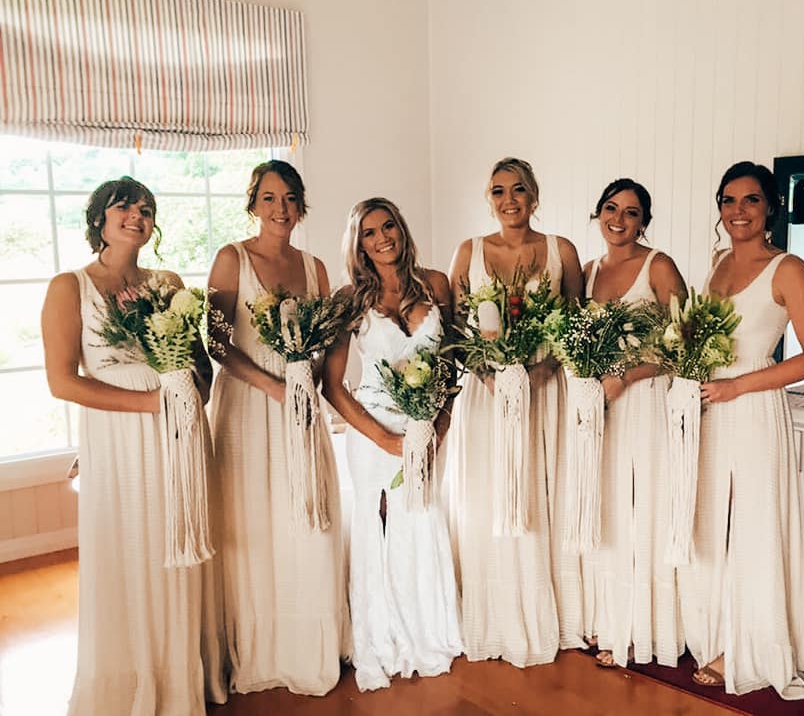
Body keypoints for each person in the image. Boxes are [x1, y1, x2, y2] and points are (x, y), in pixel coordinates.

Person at [41, 177, 226, 715]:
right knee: (129, 546)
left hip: (181, 438)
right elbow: (62, 381)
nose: (136, 216)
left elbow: (202, 370)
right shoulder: (67, 287)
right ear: (99, 216)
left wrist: (188, 397)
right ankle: (132, 679)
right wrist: (149, 406)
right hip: (119, 441)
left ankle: (180, 673)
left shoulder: (167, 281)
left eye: (146, 209)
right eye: (124, 206)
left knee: (180, 545)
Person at [677, 161, 804, 699]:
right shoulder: (717, 263)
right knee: (711, 524)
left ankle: (746, 644)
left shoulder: (787, 268)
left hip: (751, 410)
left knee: (750, 527)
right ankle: (713, 626)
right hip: (707, 409)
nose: (737, 212)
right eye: (728, 201)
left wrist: (737, 387)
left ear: (770, 207)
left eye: (750, 201)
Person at [207, 160, 348, 695]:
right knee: (253, 522)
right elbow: (217, 342)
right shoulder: (231, 259)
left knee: (306, 518)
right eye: (269, 198)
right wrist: (271, 386)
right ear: (253, 204)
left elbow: (324, 344)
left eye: (289, 198)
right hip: (247, 404)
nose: (281, 208)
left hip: (300, 408)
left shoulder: (316, 269)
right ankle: (259, 648)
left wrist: (304, 386)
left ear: (301, 204)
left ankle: (308, 640)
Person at [322, 197, 463, 691]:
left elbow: (452, 365)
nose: (382, 238)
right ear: (357, 243)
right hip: (373, 429)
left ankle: (428, 629)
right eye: (368, 232)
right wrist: (382, 437)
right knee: (376, 527)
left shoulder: (435, 285)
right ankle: (381, 637)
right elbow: (333, 385)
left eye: (388, 227)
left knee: (421, 521)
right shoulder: (350, 299)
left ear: (401, 230)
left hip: (426, 428)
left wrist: (438, 427)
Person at [446, 157, 584, 666]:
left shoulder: (560, 251)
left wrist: (542, 374)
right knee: (490, 497)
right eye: (499, 191)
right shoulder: (470, 252)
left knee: (539, 490)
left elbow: (575, 325)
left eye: (519, 190)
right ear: (489, 199)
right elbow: (457, 332)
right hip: (487, 398)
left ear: (534, 195)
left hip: (544, 392)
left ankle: (551, 610)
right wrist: (490, 376)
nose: (510, 201)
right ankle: (495, 612)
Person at [579, 178, 687, 669]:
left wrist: (627, 375)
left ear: (645, 221)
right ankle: (610, 620)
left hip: (643, 402)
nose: (619, 219)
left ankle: (647, 627)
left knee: (644, 506)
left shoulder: (658, 265)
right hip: (598, 407)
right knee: (608, 507)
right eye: (610, 208)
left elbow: (687, 344)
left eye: (632, 212)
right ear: (598, 212)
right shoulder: (585, 271)